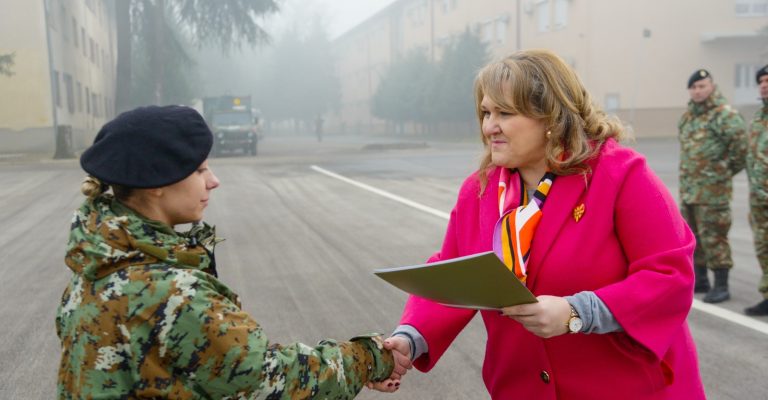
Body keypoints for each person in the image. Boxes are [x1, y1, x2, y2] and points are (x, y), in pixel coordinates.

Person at [373, 50, 706, 399]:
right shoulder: (479, 191)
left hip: (626, 388)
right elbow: (454, 276)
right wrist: (410, 338)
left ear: (550, 117)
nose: (489, 127)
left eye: (505, 113)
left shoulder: (619, 174)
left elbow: (671, 277)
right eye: (486, 113)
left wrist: (576, 312)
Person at [55, 105, 408, 399]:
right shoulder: (173, 294)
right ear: (158, 184)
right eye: (199, 169)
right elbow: (270, 381)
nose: (213, 180)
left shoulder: (93, 270)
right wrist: (370, 356)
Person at [678, 69, 747, 303]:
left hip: (713, 193)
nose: (698, 91)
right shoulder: (688, 117)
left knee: (715, 238)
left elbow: (741, 151)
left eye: (702, 86)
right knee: (693, 237)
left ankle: (721, 284)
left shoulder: (725, 116)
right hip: (689, 191)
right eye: (694, 87)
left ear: (712, 87)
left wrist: (721, 173)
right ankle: (702, 279)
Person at [745, 64, 768, 316]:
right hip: (759, 198)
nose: (764, 84)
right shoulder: (759, 119)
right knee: (763, 247)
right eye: (761, 80)